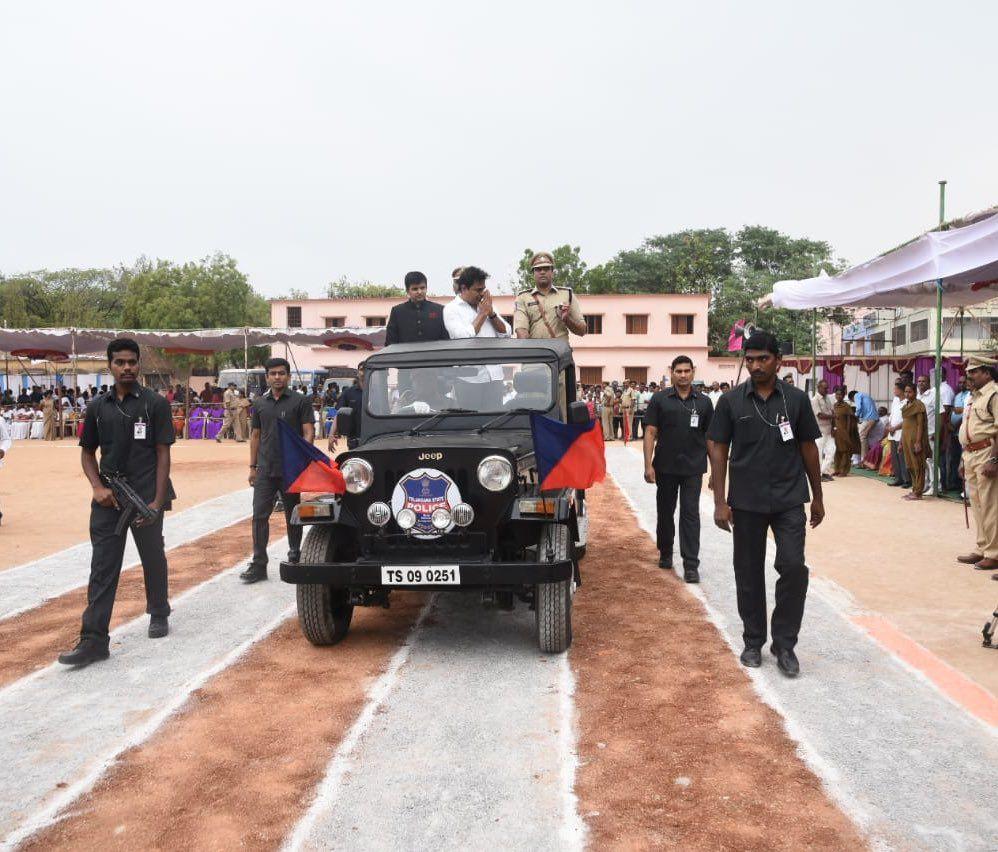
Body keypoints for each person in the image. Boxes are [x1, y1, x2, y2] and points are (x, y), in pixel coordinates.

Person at [707, 331, 823, 678]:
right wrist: (719, 502)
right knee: (748, 571)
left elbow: (808, 448)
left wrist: (818, 496)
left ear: (778, 360)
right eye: (750, 359)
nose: (756, 365)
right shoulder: (730, 402)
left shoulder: (797, 401)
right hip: (746, 500)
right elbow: (717, 448)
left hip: (789, 499)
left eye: (763, 359)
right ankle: (754, 640)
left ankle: (784, 644)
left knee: (793, 567)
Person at [57, 338, 175, 667]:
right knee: (103, 567)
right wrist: (96, 487)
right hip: (109, 499)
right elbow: (86, 453)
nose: (127, 368)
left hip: (145, 495)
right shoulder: (97, 407)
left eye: (132, 362)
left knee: (153, 557)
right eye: (120, 362)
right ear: (109, 365)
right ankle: (94, 640)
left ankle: (159, 611)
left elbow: (163, 452)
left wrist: (157, 499)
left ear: (139, 365)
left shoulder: (155, 404)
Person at [242, 357, 316, 584]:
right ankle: (259, 563)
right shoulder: (260, 403)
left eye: (281, 373)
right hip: (264, 469)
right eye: (272, 374)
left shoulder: (300, 401)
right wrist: (253, 467)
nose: (277, 377)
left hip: (290, 470)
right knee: (259, 516)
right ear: (267, 377)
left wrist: (302, 461)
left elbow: (308, 432)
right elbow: (255, 436)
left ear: (288, 376)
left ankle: (295, 555)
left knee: (293, 515)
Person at [643, 355, 714, 583]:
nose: (683, 375)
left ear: (693, 372)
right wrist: (648, 465)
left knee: (690, 513)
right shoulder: (660, 399)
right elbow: (651, 432)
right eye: (679, 371)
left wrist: (715, 472)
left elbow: (711, 438)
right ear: (672, 372)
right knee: (665, 511)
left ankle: (691, 564)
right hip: (665, 466)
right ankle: (665, 551)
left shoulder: (704, 403)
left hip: (693, 467)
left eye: (686, 371)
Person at [956, 356, 997, 572]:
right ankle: (983, 548)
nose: (969, 376)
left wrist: (993, 459)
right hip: (971, 454)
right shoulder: (973, 398)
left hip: (986, 452)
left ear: (987, 373)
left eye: (974, 372)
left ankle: (993, 553)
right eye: (968, 372)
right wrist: (964, 459)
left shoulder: (994, 394)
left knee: (990, 505)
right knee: (977, 503)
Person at [512, 251, 586, 343]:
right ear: (533, 273)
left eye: (546, 269)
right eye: (538, 269)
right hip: (535, 352)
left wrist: (566, 319)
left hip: (560, 353)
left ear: (552, 272)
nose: (542, 272)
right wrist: (529, 351)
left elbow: (582, 331)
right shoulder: (522, 298)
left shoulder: (567, 294)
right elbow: (521, 331)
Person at [384, 271, 450, 345]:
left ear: (426, 288)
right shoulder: (397, 312)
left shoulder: (439, 310)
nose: (419, 292)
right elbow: (390, 342)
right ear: (407, 291)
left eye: (422, 288)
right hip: (406, 356)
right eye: (415, 289)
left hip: (434, 355)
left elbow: (446, 340)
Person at [900, 382, 929, 501]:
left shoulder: (919, 405)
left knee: (918, 465)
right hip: (906, 439)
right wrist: (901, 442)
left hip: (914, 439)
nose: (907, 394)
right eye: (906, 392)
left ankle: (918, 492)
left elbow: (920, 425)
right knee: (910, 465)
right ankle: (914, 488)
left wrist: (918, 442)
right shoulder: (906, 405)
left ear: (915, 392)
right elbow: (904, 425)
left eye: (910, 392)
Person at [329, 364, 365, 451]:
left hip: (373, 439)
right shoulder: (348, 393)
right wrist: (331, 435)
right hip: (354, 440)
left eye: (367, 369)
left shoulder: (377, 392)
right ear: (357, 373)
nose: (364, 372)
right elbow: (339, 414)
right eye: (361, 369)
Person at [946, 376, 971, 492]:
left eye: (964, 382)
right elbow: (953, 412)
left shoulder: (970, 395)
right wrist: (950, 425)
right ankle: (954, 484)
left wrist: (955, 425)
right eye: (959, 382)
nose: (961, 384)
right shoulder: (957, 396)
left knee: (964, 460)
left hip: (965, 433)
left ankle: (964, 488)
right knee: (954, 459)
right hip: (954, 433)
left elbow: (966, 413)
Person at [887, 380, 911, 488]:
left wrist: (895, 428)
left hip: (901, 432)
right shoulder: (895, 400)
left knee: (903, 457)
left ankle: (907, 480)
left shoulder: (907, 402)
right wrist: (889, 426)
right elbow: (892, 415)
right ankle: (898, 478)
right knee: (894, 458)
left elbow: (906, 419)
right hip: (892, 433)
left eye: (896, 389)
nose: (894, 390)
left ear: (901, 390)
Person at [810, 379, 835, 482]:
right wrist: (833, 416)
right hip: (819, 430)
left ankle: (823, 472)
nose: (827, 390)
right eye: (825, 388)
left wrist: (834, 427)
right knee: (819, 454)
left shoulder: (828, 398)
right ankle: (818, 475)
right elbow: (819, 415)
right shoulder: (814, 400)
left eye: (827, 388)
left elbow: (832, 411)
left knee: (832, 451)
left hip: (829, 430)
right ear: (818, 388)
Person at [832, 388, 858, 477]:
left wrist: (848, 430)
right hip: (836, 432)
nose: (838, 396)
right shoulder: (834, 405)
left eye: (840, 394)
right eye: (837, 394)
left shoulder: (846, 406)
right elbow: (833, 418)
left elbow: (851, 419)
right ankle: (837, 469)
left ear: (843, 396)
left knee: (845, 451)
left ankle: (844, 471)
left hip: (845, 431)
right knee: (837, 451)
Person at [849, 388, 879, 460]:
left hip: (870, 418)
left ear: (852, 397)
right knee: (864, 436)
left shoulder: (857, 395)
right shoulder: (866, 396)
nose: (854, 402)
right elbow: (865, 409)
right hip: (872, 418)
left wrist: (855, 416)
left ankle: (864, 459)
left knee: (862, 436)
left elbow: (859, 407)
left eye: (853, 401)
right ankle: (865, 459)